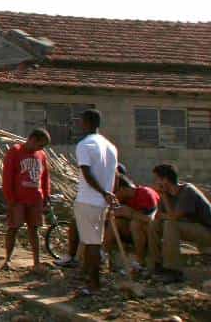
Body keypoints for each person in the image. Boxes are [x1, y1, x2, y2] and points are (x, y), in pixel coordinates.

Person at [147, 163, 211, 281]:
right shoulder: (166, 194)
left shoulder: (188, 191)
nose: (155, 182)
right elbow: (158, 216)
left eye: (157, 179)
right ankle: (156, 265)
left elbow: (173, 217)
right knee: (154, 225)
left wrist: (165, 204)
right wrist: (163, 197)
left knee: (170, 225)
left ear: (165, 180)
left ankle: (173, 270)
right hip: (191, 228)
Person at [70, 109, 118, 295]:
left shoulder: (85, 145)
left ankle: (94, 285)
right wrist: (108, 194)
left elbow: (87, 173)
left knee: (91, 244)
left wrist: (103, 192)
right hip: (101, 203)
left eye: (81, 121)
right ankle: (89, 279)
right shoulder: (111, 147)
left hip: (88, 199)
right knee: (94, 242)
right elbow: (114, 175)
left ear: (87, 123)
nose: (79, 125)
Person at [0, 128, 51, 271]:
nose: (41, 148)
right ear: (33, 139)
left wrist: (46, 195)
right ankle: (7, 260)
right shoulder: (15, 151)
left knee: (34, 230)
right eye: (40, 144)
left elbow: (45, 177)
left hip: (35, 199)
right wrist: (10, 198)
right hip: (18, 199)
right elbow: (7, 176)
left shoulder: (41, 155)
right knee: (13, 228)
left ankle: (36, 262)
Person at [107, 166, 158, 269]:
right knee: (115, 222)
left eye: (115, 192)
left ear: (122, 189)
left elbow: (151, 220)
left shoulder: (145, 194)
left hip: (151, 232)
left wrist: (131, 213)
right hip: (131, 232)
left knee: (135, 224)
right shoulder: (123, 200)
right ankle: (104, 253)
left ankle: (140, 262)